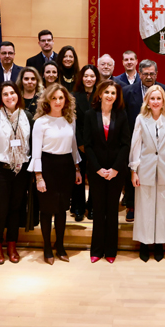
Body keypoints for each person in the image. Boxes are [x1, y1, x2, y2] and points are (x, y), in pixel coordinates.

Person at [29, 84, 83, 265]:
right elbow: (36, 151)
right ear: (47, 100)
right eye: (54, 98)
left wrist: (77, 168)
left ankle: (60, 245)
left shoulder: (70, 119)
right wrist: (39, 176)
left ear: (66, 100)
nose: (58, 102)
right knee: (46, 210)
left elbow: (73, 146)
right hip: (48, 166)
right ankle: (46, 247)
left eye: (61, 98)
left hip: (66, 166)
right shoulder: (40, 122)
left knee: (62, 209)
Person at [0, 81, 33, 265]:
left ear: (18, 95)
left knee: (15, 209)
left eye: (12, 93)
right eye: (5, 94)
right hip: (0, 170)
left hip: (21, 170)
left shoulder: (27, 116)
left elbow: (32, 144)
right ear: (0, 98)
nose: (10, 97)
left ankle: (12, 245)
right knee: (0, 210)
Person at [122, 59, 165, 221]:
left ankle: (158, 208)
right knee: (133, 173)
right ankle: (131, 205)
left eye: (152, 73)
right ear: (139, 74)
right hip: (135, 138)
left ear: (157, 74)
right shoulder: (127, 91)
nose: (149, 76)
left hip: (161, 140)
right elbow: (124, 117)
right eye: (145, 73)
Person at [129, 85, 165, 262]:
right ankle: (144, 243)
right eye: (152, 98)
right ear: (147, 101)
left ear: (163, 100)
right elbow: (136, 146)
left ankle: (159, 243)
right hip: (145, 167)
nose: (156, 101)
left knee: (164, 207)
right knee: (145, 206)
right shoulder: (141, 119)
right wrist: (134, 170)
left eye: (159, 98)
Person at [83, 80, 131, 263]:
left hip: (116, 172)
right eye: (107, 92)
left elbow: (126, 144)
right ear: (100, 94)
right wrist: (97, 169)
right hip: (97, 171)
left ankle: (111, 250)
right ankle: (96, 250)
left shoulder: (122, 115)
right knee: (98, 209)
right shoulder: (89, 115)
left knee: (112, 211)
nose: (110, 95)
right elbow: (87, 145)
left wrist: (116, 169)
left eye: (113, 93)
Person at [71, 64, 101, 221]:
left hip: (98, 144)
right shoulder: (73, 96)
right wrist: (81, 143)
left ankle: (93, 206)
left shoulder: (102, 95)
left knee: (95, 176)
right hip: (79, 143)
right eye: (86, 76)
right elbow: (72, 122)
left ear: (96, 78)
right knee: (79, 176)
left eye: (92, 76)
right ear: (81, 78)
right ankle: (78, 207)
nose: (89, 79)